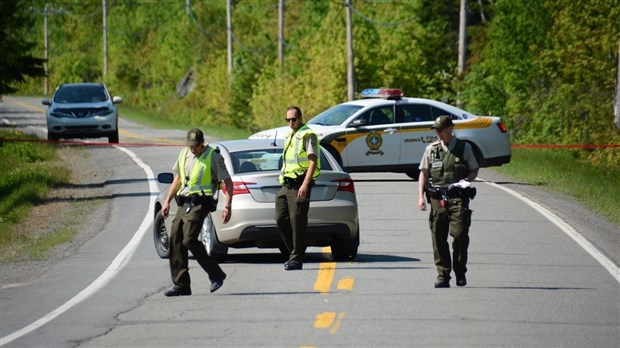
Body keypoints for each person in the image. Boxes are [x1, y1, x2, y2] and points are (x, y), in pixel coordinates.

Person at [161, 128, 233, 296]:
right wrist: (166, 201)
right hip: (184, 202)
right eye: (190, 146)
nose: (193, 149)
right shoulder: (184, 154)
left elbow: (228, 183)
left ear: (202, 143)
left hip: (201, 202)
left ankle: (216, 274)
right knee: (176, 239)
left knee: (189, 239)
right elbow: (177, 179)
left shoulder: (213, 156)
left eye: (196, 146)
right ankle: (181, 285)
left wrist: (227, 206)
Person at [418, 116, 479, 288]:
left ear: (450, 128)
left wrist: (466, 180)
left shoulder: (464, 147)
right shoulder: (431, 150)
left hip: (458, 196)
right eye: (436, 129)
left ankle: (460, 271)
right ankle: (443, 275)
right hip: (438, 198)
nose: (437, 132)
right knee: (438, 236)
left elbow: (474, 169)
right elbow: (423, 173)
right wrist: (420, 197)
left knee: (459, 234)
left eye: (441, 129)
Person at [275, 106, 320, 270]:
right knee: (280, 218)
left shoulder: (308, 134)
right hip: (286, 184)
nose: (291, 122)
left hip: (300, 183)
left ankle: (296, 259)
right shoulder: (289, 135)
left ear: (300, 118)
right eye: (288, 120)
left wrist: (305, 185)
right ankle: (296, 250)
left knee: (297, 221)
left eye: (294, 119)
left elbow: (313, 161)